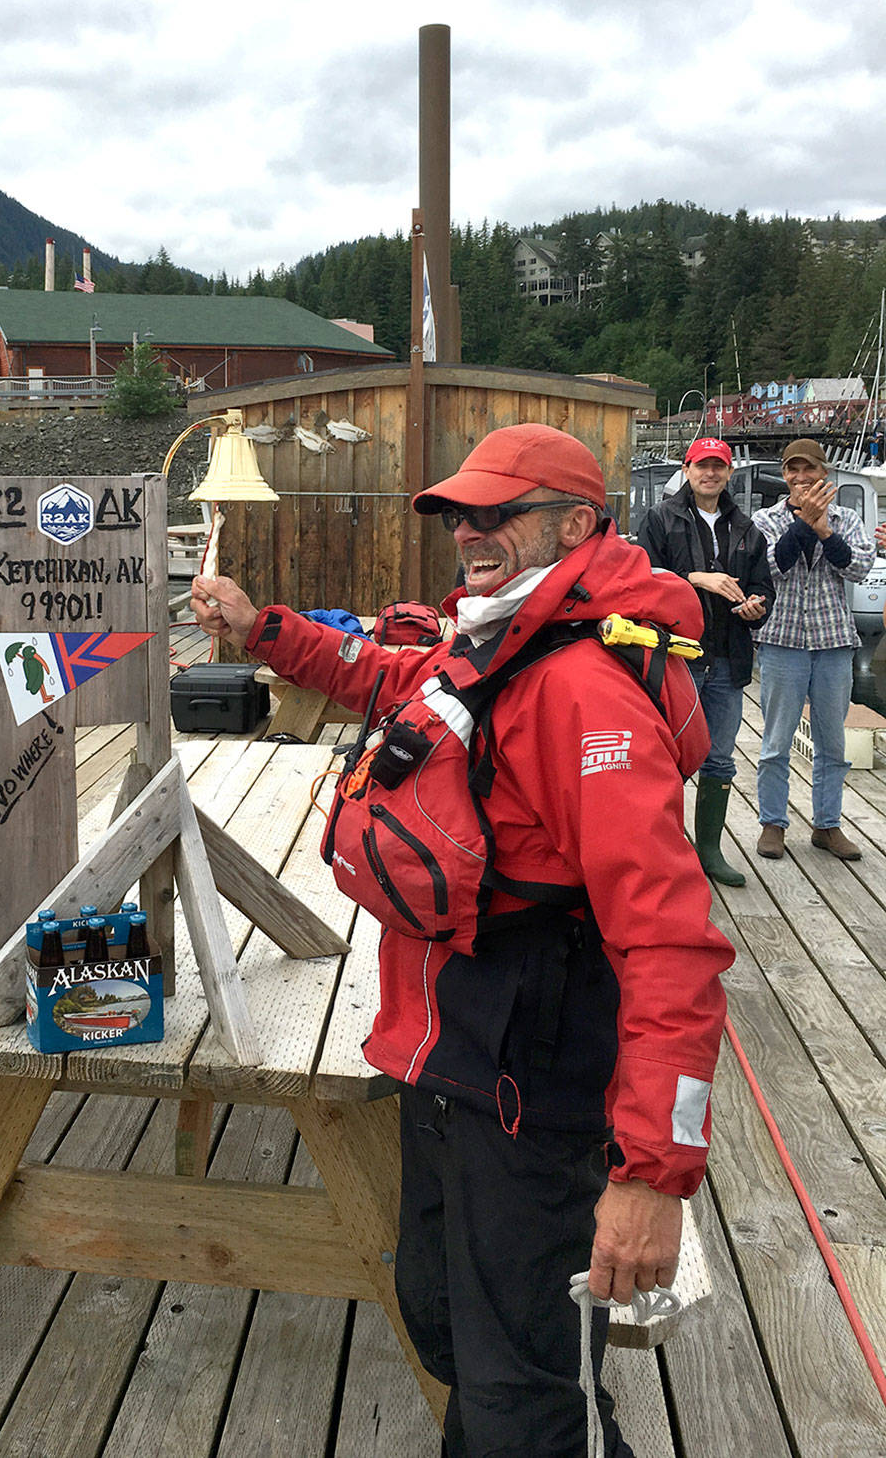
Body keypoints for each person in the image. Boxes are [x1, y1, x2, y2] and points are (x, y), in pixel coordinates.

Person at [191, 423, 733, 1458]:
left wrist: (648, 1175)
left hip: (530, 1081)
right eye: (456, 515)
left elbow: (671, 944)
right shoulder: (493, 636)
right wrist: (262, 626)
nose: (466, 533)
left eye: (495, 513)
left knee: (525, 1391)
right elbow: (390, 679)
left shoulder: (579, 686)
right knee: (448, 1326)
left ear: (575, 524)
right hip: (446, 1056)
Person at [637, 437, 773, 886]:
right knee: (666, 757)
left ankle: (710, 850)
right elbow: (642, 579)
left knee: (719, 760)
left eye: (718, 467)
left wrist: (757, 605)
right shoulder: (660, 519)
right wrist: (696, 578)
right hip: (676, 656)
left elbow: (764, 588)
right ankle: (665, 848)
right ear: (687, 468)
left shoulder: (747, 528)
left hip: (729, 658)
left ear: (729, 473)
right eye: (702, 465)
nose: (710, 473)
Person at [752, 437, 875, 862]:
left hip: (834, 641)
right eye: (793, 470)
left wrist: (823, 527)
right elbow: (772, 567)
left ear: (825, 472)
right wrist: (804, 523)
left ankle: (827, 824)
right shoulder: (764, 520)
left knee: (832, 744)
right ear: (784, 475)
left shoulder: (848, 519)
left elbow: (858, 568)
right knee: (775, 741)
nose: (801, 478)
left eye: (810, 470)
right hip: (782, 638)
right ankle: (772, 823)